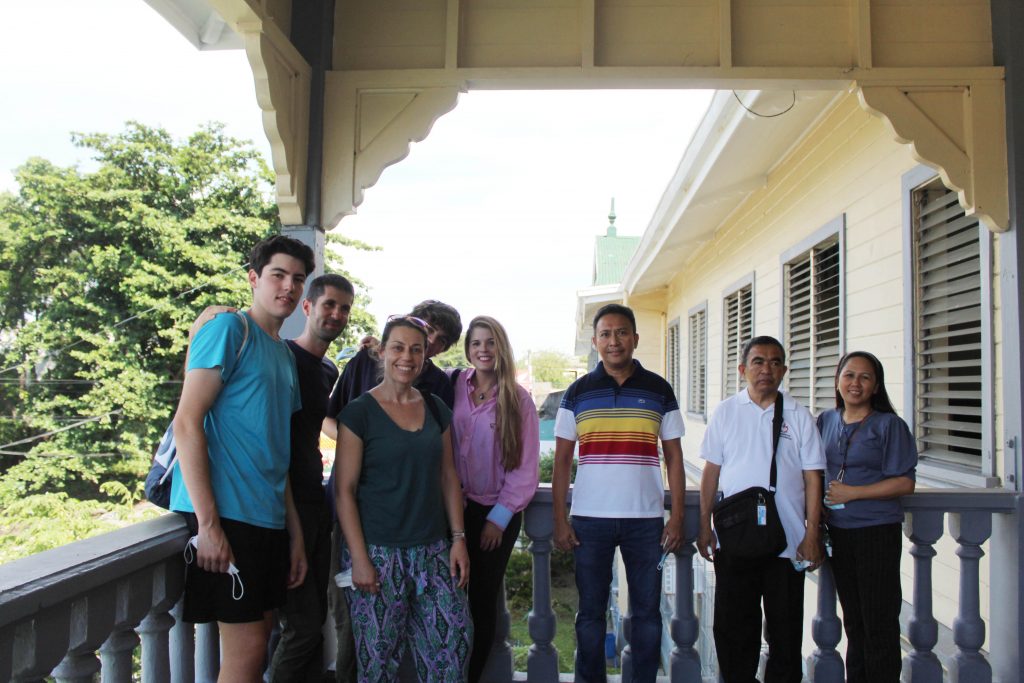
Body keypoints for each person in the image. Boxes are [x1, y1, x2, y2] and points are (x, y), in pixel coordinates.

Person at [169, 235, 314, 682]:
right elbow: (187, 423)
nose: (288, 287)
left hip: (266, 519)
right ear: (254, 279)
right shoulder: (231, 329)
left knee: (261, 639)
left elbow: (278, 453)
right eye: (277, 275)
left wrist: (295, 535)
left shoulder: (284, 357)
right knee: (248, 651)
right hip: (227, 516)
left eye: (297, 279)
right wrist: (209, 526)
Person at [322, 299, 462, 681]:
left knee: (450, 655)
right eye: (398, 347)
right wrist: (361, 559)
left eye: (417, 349)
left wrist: (458, 539)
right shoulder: (359, 413)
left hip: (433, 551)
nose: (408, 356)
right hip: (379, 553)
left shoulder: (435, 407)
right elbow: (345, 491)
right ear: (382, 352)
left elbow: (448, 475)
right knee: (377, 663)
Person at [552, 303, 686, 683]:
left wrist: (675, 516)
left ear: (635, 339)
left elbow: (674, 458)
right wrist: (561, 520)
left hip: (646, 521)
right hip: (589, 520)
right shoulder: (577, 393)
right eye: (606, 334)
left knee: (647, 613)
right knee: (590, 614)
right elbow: (562, 461)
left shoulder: (659, 389)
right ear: (595, 341)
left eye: (622, 332)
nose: (614, 341)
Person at [697, 335, 825, 683]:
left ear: (784, 370)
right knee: (734, 629)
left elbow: (814, 479)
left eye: (774, 362)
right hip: (734, 539)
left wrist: (812, 533)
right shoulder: (726, 412)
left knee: (785, 635)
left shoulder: (799, 416)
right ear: (743, 369)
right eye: (758, 361)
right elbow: (711, 472)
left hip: (787, 543)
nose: (766, 369)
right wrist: (704, 525)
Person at [267, 274, 355, 681]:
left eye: (344, 309)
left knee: (310, 619)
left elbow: (323, 424)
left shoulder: (328, 370)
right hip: (282, 507)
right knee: (302, 627)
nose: (336, 314)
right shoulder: (279, 357)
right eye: (329, 305)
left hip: (315, 501)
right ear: (307, 307)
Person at [449, 315, 540, 682]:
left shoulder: (519, 400)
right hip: (454, 508)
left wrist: (498, 518)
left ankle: (472, 676)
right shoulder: (454, 385)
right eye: (476, 343)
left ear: (501, 348)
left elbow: (524, 468)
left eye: (490, 342)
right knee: (450, 596)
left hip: (494, 513)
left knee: (481, 599)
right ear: (468, 349)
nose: (483, 350)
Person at [817, 351, 916, 683]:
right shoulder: (826, 420)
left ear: (876, 386)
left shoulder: (889, 425)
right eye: (849, 375)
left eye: (864, 377)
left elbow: (905, 482)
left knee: (880, 622)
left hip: (876, 532)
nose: (855, 383)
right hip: (838, 533)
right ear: (838, 380)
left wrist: (854, 493)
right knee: (854, 622)